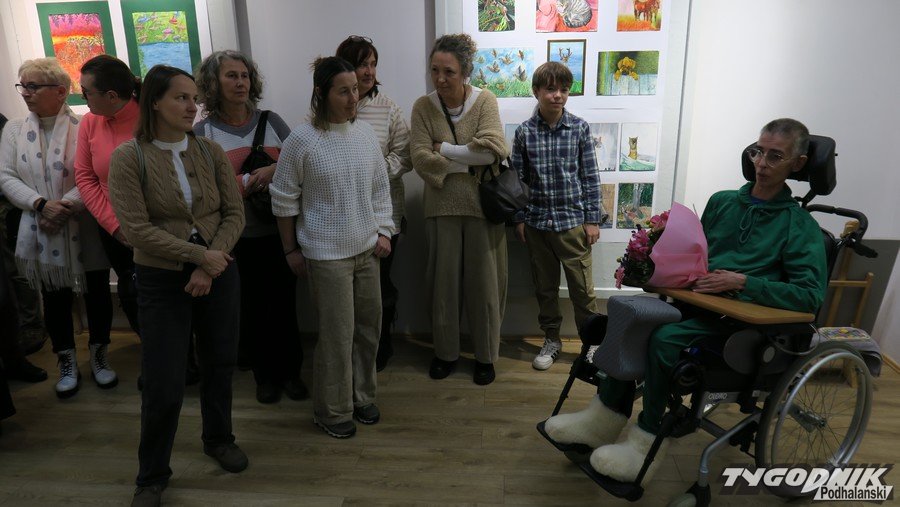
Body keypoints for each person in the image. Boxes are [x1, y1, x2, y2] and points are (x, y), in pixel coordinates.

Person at [542, 118, 829, 485]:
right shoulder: (723, 203)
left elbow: (809, 296)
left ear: (798, 164)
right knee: (631, 321)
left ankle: (644, 442)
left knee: (664, 339)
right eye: (758, 152)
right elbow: (694, 257)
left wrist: (744, 281)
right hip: (697, 307)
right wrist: (653, 261)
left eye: (776, 156)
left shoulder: (799, 225)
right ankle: (601, 419)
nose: (761, 163)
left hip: (742, 328)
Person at [108, 65, 247, 506]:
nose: (192, 107)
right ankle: (151, 475)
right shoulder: (129, 157)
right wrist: (197, 257)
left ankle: (218, 438)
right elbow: (136, 229)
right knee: (164, 379)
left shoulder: (209, 150)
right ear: (155, 102)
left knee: (220, 363)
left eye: (193, 98)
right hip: (161, 278)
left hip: (218, 271)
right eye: (181, 98)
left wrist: (210, 263)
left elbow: (234, 213)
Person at [271, 56, 393, 439]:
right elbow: (283, 199)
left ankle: (362, 396)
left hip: (367, 251)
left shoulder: (364, 135)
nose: (353, 97)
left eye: (355, 89)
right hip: (326, 256)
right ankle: (332, 410)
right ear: (322, 94)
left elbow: (380, 189)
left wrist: (384, 231)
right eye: (344, 91)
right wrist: (290, 250)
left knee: (368, 329)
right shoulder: (301, 140)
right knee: (337, 336)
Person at [194, 49, 307, 404]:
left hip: (280, 232)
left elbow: (301, 162)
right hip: (236, 238)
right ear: (213, 83)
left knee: (284, 306)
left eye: (244, 75)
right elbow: (204, 191)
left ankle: (291, 372)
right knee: (252, 309)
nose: (240, 82)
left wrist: (274, 170)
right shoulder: (203, 132)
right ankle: (265, 376)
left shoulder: (272, 121)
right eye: (231, 76)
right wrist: (246, 182)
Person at [0, 58, 113, 398]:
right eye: (22, 86)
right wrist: (40, 204)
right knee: (54, 296)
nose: (25, 93)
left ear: (61, 92)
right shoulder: (14, 130)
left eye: (33, 86)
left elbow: (93, 173)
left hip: (85, 222)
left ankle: (100, 356)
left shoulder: (85, 125)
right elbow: (6, 176)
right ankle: (66, 361)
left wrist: (64, 206)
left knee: (96, 292)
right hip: (39, 224)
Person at [410, 33, 509, 385]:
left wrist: (446, 150)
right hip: (441, 208)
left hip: (483, 208)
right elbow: (419, 158)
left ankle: (486, 356)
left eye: (449, 71)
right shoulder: (423, 107)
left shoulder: (485, 100)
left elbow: (493, 150)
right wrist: (468, 159)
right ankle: (445, 353)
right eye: (435, 70)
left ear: (465, 72)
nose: (440, 78)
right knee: (443, 287)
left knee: (486, 287)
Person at [512, 61, 603, 371]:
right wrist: (519, 218)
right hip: (537, 225)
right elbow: (518, 180)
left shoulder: (579, 128)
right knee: (545, 288)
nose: (558, 96)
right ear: (536, 91)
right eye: (551, 89)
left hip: (572, 224)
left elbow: (590, 176)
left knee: (582, 290)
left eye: (564, 90)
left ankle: (591, 345)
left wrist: (592, 219)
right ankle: (551, 339)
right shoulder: (525, 132)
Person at [335, 35, 412, 371]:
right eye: (361, 64)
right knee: (348, 288)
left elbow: (405, 156)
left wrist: (371, 174)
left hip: (384, 215)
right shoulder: (326, 108)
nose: (368, 72)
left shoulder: (388, 108)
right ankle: (352, 348)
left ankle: (381, 346)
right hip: (342, 216)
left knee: (380, 284)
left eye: (372, 64)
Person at [74, 55, 142, 384]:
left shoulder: (151, 117)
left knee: (166, 295)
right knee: (132, 295)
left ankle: (183, 359)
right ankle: (155, 356)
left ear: (112, 96)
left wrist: (142, 229)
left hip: (156, 229)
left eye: (87, 92)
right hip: (113, 230)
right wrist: (115, 226)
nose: (83, 97)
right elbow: (85, 177)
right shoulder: (90, 122)